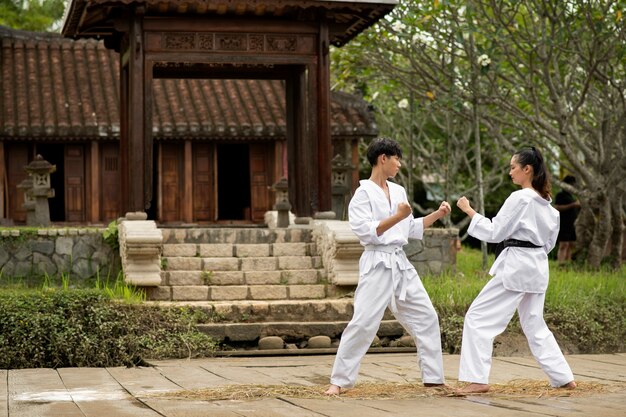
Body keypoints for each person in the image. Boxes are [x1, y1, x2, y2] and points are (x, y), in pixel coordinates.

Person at [325, 137, 451, 396]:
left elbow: (409, 227)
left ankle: (434, 379)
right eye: (396, 159)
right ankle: (338, 381)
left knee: (426, 316)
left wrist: (437, 214)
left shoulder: (398, 191)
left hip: (399, 262)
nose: (399, 164)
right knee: (364, 322)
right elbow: (366, 232)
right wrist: (397, 216)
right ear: (383, 158)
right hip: (377, 262)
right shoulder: (362, 194)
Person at [455, 147, 576, 394]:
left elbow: (494, 233)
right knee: (535, 324)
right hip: (537, 266)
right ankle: (564, 377)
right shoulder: (549, 207)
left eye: (513, 167)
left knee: (477, 318)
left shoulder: (520, 198)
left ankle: (477, 379)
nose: (510, 172)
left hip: (518, 266)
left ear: (527, 169)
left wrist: (469, 211)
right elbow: (549, 245)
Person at [554, 175, 580, 264]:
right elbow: (557, 207)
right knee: (563, 244)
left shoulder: (571, 196)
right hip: (563, 223)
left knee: (571, 244)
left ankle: (567, 263)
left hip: (572, 223)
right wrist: (573, 205)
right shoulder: (560, 195)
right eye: (572, 184)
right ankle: (560, 263)